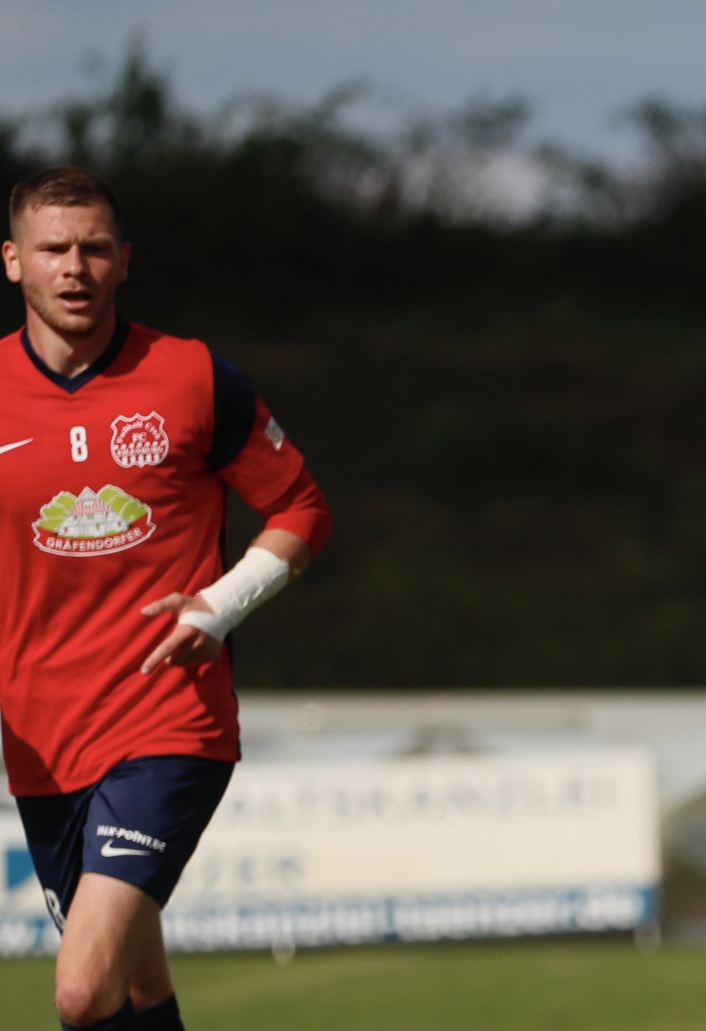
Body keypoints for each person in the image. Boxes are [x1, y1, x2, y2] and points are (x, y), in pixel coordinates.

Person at [1, 166, 332, 1031]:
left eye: (94, 248)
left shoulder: (189, 377)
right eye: (52, 250)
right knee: (136, 988)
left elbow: (303, 508)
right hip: (39, 737)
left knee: (80, 991)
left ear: (122, 261)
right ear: (13, 262)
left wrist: (220, 606)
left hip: (167, 722)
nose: (74, 267)